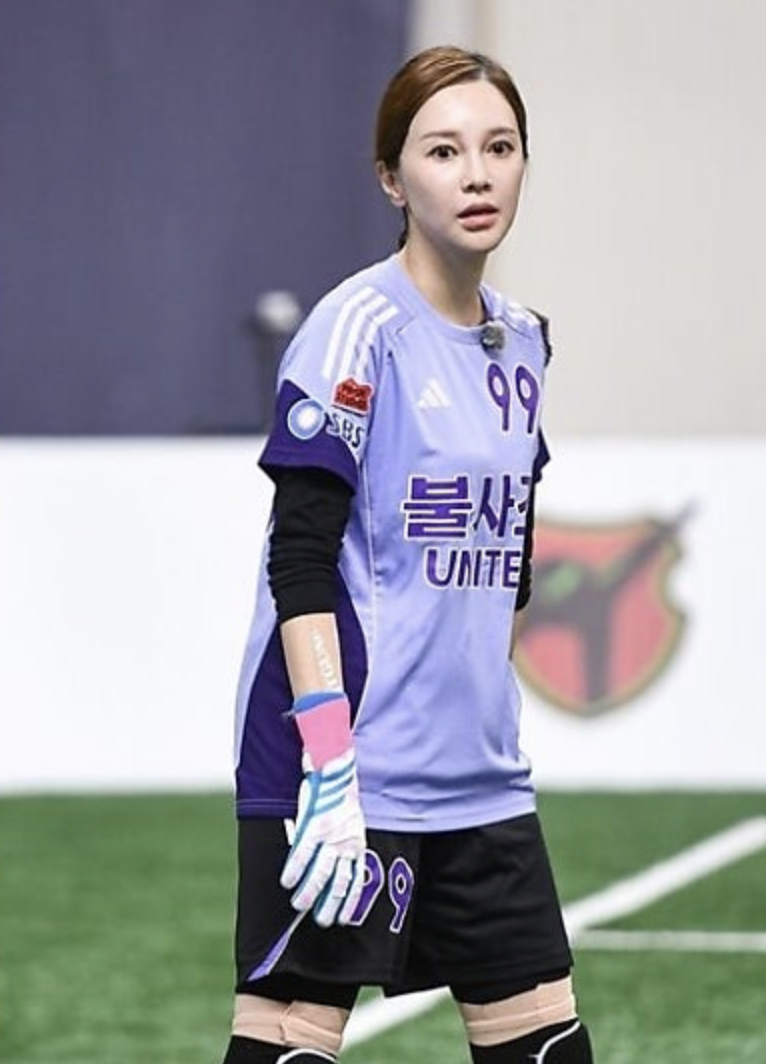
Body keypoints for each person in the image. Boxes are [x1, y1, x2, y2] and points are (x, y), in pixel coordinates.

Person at [223, 46, 590, 1064]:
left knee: (543, 1039)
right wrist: (329, 765)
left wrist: (476, 713)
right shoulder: (355, 328)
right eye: (442, 151)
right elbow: (298, 561)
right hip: (343, 773)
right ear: (391, 178)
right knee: (292, 1037)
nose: (477, 175)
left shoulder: (523, 342)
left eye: (499, 148)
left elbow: (509, 552)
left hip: (481, 780)